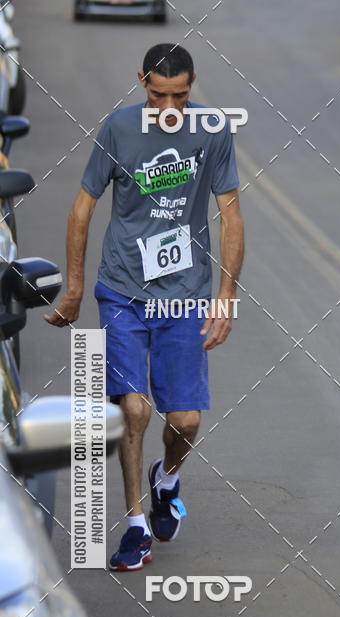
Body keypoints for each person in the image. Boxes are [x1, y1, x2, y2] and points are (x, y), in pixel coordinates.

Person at [45, 44, 244, 571]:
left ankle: (168, 477)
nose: (170, 106)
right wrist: (75, 288)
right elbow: (81, 210)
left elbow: (232, 215)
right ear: (142, 83)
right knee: (133, 408)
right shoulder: (118, 130)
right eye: (159, 95)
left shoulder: (213, 132)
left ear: (193, 84)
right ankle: (135, 525)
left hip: (185, 294)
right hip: (123, 290)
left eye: (180, 95)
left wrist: (226, 296)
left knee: (185, 419)